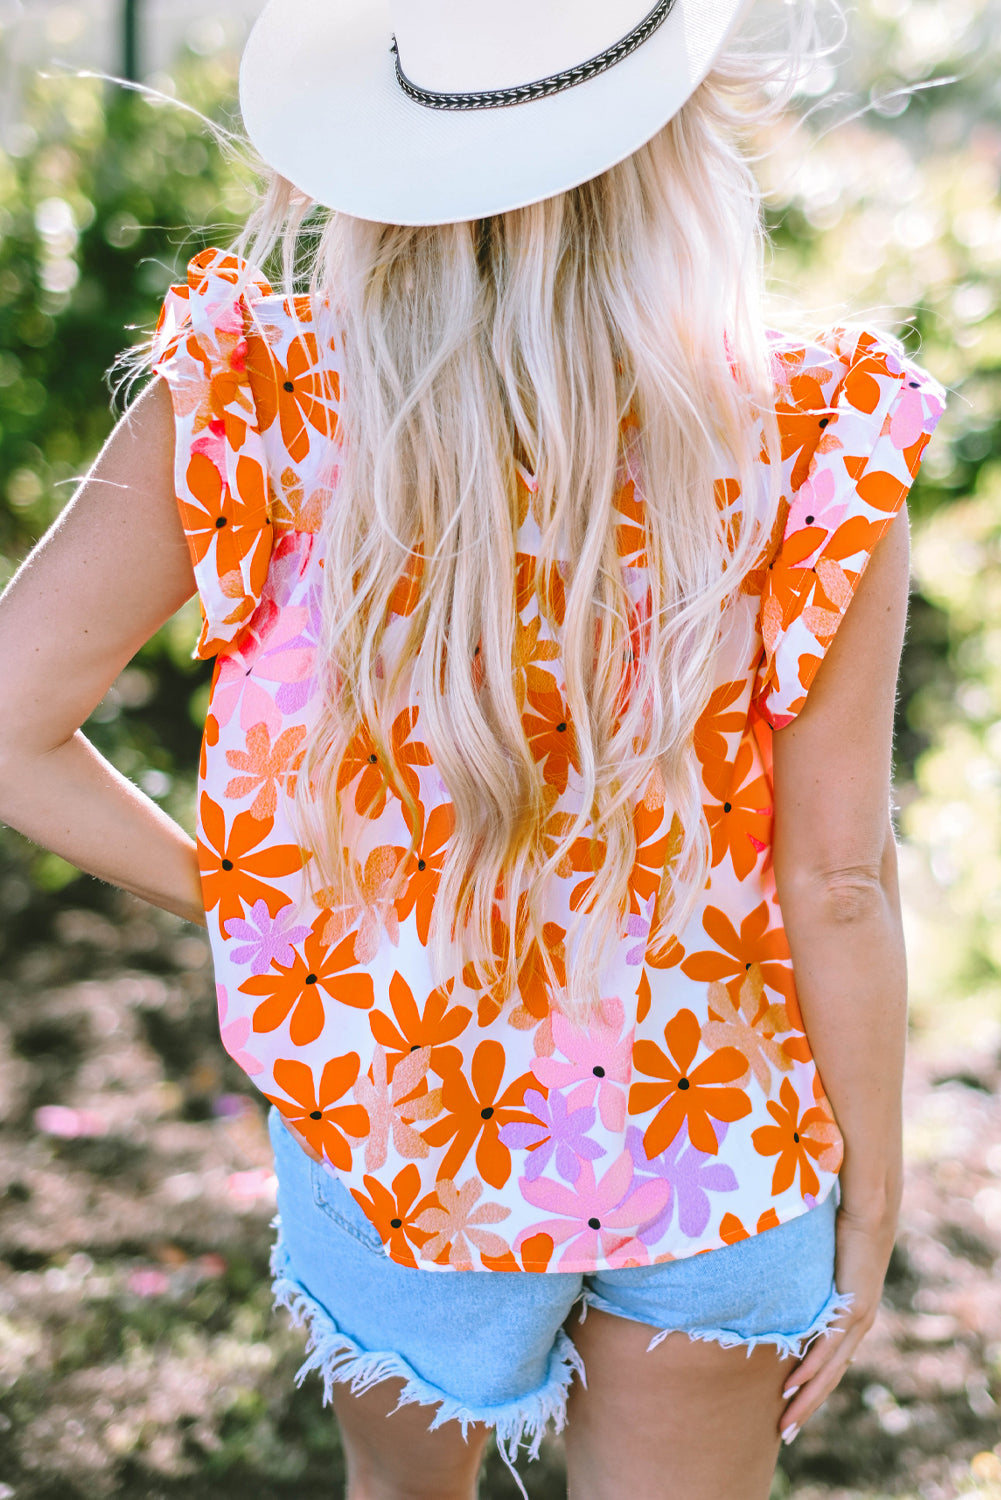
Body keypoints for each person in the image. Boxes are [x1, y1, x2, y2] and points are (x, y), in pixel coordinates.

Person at [0, 1, 947, 1496]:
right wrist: (873, 1197)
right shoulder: (812, 429)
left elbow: (12, 728)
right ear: (680, 129)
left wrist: (263, 904)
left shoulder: (258, 398)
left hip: (398, 1130)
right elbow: (838, 878)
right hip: (719, 1135)